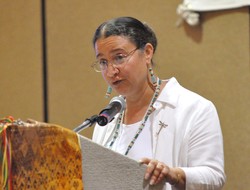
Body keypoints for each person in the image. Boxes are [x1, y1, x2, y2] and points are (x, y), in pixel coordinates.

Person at [91, 16, 225, 190]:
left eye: (119, 57)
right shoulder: (106, 120)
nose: (111, 71)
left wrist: (175, 175)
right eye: (103, 62)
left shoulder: (195, 108)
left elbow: (214, 177)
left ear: (147, 52)